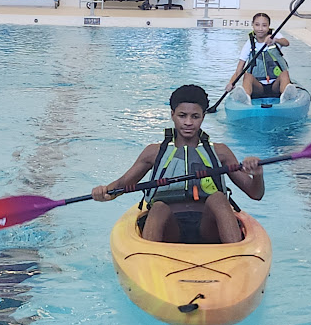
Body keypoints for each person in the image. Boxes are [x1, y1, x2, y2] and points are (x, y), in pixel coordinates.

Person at [91, 85, 264, 244]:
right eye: (182, 116)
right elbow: (121, 185)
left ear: (203, 116)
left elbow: (255, 193)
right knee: (158, 207)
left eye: (195, 116)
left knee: (219, 198)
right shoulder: (154, 152)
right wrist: (104, 192)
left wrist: (257, 174)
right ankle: (148, 257)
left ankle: (236, 253)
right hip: (169, 228)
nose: (188, 122)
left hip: (209, 228)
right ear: (172, 114)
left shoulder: (220, 152)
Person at [224, 12, 298, 104]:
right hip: (258, 86)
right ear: (252, 25)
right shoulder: (249, 44)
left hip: (276, 85)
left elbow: (286, 43)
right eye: (257, 25)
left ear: (269, 26)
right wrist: (231, 83)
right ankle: (246, 98)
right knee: (247, 76)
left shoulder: (274, 35)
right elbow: (239, 70)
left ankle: (286, 97)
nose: (260, 29)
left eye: (264, 25)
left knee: (284, 73)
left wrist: (275, 40)